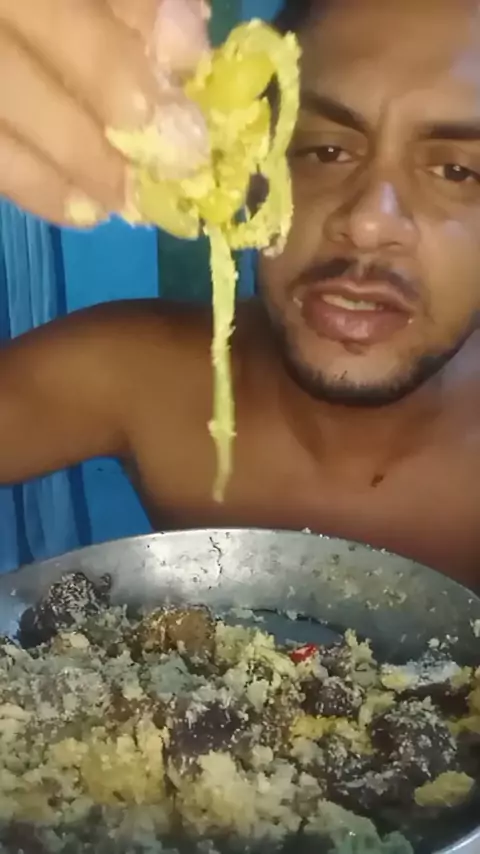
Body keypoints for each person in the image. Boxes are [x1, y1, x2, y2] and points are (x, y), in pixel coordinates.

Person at [1, 0, 480, 588]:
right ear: (251, 174)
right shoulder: (142, 374)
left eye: (457, 172)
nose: (368, 223)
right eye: (325, 151)